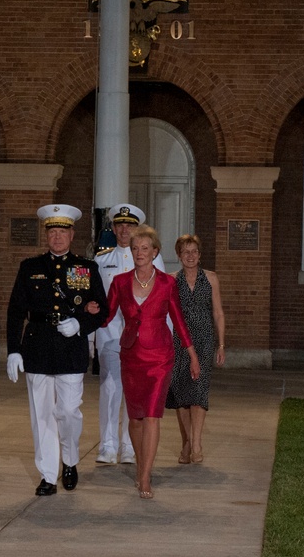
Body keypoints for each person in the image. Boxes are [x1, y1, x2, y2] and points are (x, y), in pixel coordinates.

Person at [6, 204, 107, 496]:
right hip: (37, 346)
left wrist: (80, 323)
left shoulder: (87, 268)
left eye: (63, 232)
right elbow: (15, 311)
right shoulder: (30, 268)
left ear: (72, 234)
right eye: (52, 232)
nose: (57, 237)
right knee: (42, 415)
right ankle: (48, 475)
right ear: (46, 234)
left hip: (70, 348)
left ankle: (71, 459)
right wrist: (14, 349)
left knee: (68, 411)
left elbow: (102, 309)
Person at [103, 224, 199, 499]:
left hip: (160, 357)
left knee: (152, 416)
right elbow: (107, 316)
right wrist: (86, 312)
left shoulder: (168, 283)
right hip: (131, 356)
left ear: (155, 251)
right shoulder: (120, 282)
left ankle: (145, 476)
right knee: (135, 418)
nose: (139, 253)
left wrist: (191, 354)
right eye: (135, 249)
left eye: (145, 248)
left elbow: (178, 320)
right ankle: (140, 466)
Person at [92, 203, 166, 465]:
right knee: (110, 390)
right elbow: (97, 304)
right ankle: (107, 445)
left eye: (130, 225)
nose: (124, 230)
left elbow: (162, 302)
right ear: (113, 228)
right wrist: (92, 338)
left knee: (134, 394)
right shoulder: (101, 261)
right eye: (120, 225)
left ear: (138, 229)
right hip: (111, 337)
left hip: (142, 341)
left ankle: (128, 446)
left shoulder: (154, 260)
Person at [166, 234, 226, 464]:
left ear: (200, 255)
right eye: (185, 252)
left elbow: (218, 312)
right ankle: (187, 443)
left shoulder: (211, 279)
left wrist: (221, 344)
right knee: (181, 393)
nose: (190, 256)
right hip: (179, 341)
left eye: (194, 252)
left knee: (199, 391)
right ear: (179, 256)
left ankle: (197, 444)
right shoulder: (171, 280)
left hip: (204, 340)